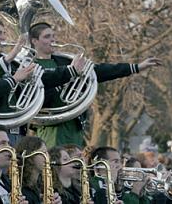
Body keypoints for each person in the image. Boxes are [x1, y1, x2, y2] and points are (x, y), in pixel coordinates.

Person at [29, 22, 162, 148]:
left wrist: (136, 67)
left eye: (53, 36)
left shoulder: (65, 61)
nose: (53, 40)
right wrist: (70, 73)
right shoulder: (30, 65)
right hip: (51, 127)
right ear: (34, 41)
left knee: (76, 166)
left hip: (74, 124)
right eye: (47, 37)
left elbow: (100, 71)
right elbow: (42, 84)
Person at [0, 18, 81, 144]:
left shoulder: (15, 64)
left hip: (18, 130)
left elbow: (43, 79)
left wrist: (70, 71)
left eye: (4, 33)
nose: (4, 37)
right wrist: (14, 79)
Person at [15, 136, 62, 204]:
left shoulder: (40, 184)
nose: (48, 157)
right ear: (30, 155)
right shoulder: (18, 186)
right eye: (43, 153)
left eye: (47, 153)